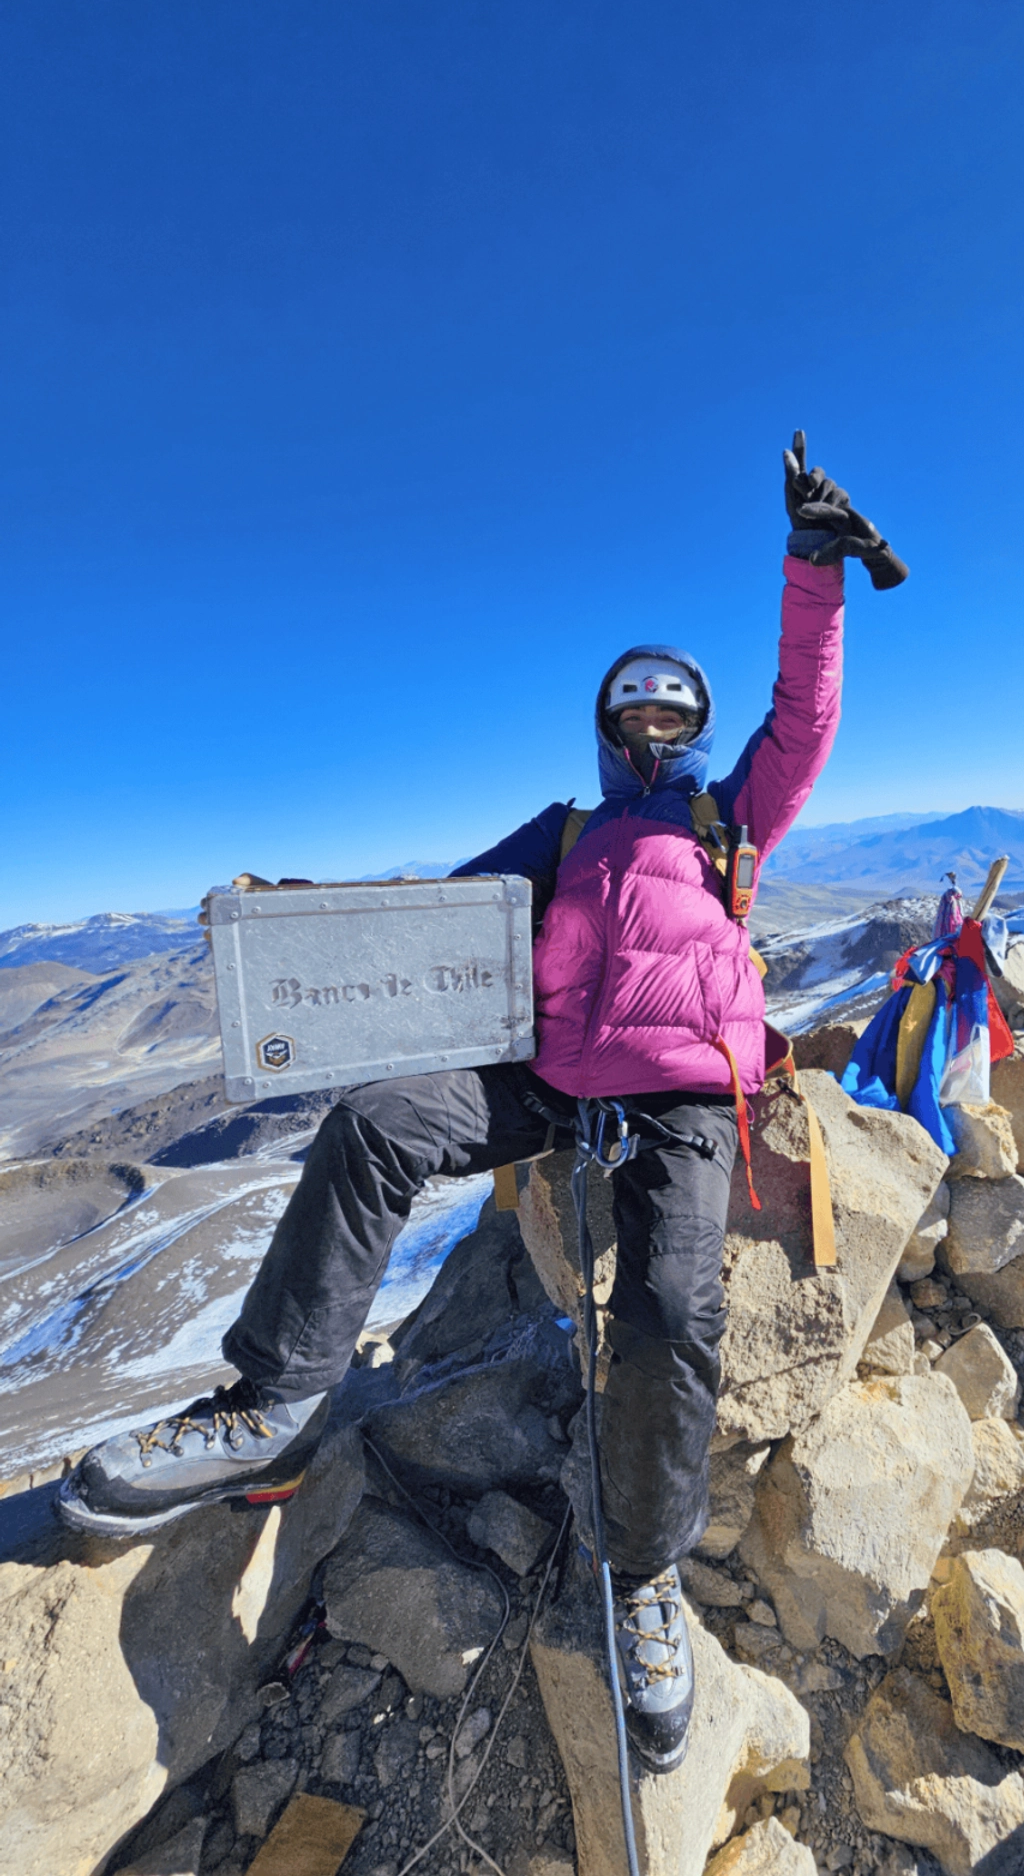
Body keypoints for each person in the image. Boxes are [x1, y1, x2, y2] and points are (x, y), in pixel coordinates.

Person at [57, 434, 903, 1773]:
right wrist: (300, 919)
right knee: (377, 1122)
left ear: (695, 729)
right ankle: (271, 1409)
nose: (656, 729)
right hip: (550, 1078)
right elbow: (434, 921)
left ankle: (643, 1575)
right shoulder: (563, 834)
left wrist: (812, 570)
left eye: (675, 713)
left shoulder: (730, 818)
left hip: (687, 1089)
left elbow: (804, 717)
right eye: (636, 712)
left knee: (672, 1309)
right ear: (608, 728)